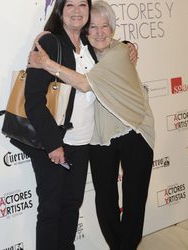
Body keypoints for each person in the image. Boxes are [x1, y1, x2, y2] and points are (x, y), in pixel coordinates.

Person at [10, 0, 138, 250]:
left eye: (83, 5)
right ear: (60, 10)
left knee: (71, 206)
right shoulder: (49, 44)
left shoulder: (90, 45)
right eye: (70, 5)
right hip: (55, 143)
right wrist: (53, 145)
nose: (77, 11)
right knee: (51, 209)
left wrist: (128, 46)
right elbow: (34, 101)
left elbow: (109, 48)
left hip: (82, 143)